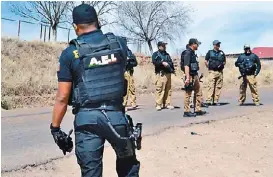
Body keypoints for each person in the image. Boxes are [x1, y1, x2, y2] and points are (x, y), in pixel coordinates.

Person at [50, 4, 140, 177]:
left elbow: (62, 97)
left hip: (87, 120)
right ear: (97, 21)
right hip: (116, 116)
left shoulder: (70, 53)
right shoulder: (119, 43)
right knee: (128, 167)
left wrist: (55, 128)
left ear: (75, 26)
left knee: (90, 172)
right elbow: (130, 63)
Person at [181, 38, 207, 117]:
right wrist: (188, 78)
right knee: (188, 93)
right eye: (197, 44)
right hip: (190, 76)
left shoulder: (193, 53)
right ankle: (186, 111)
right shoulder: (187, 53)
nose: (198, 45)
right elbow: (186, 65)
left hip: (195, 75)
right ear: (193, 44)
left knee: (198, 91)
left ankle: (197, 109)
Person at [152, 41, 175, 111]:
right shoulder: (155, 54)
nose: (165, 47)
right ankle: (158, 104)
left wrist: (170, 67)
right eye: (163, 46)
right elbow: (154, 62)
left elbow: (171, 62)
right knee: (160, 89)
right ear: (159, 47)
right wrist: (162, 63)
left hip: (168, 73)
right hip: (161, 74)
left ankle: (167, 104)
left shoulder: (167, 54)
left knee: (168, 89)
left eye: (165, 46)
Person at [205, 40, 226, 106]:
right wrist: (209, 67)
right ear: (214, 45)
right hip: (212, 72)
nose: (218, 45)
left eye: (219, 44)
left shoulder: (221, 53)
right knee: (211, 86)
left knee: (218, 86)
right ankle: (209, 100)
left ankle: (215, 101)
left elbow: (224, 61)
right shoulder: (210, 52)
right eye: (217, 44)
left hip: (220, 72)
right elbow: (205, 61)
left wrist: (222, 65)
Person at [123, 38, 138, 109]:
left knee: (132, 88)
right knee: (124, 88)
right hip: (123, 72)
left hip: (130, 71)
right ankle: (124, 103)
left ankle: (133, 103)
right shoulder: (120, 51)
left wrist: (129, 61)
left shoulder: (129, 52)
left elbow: (135, 63)